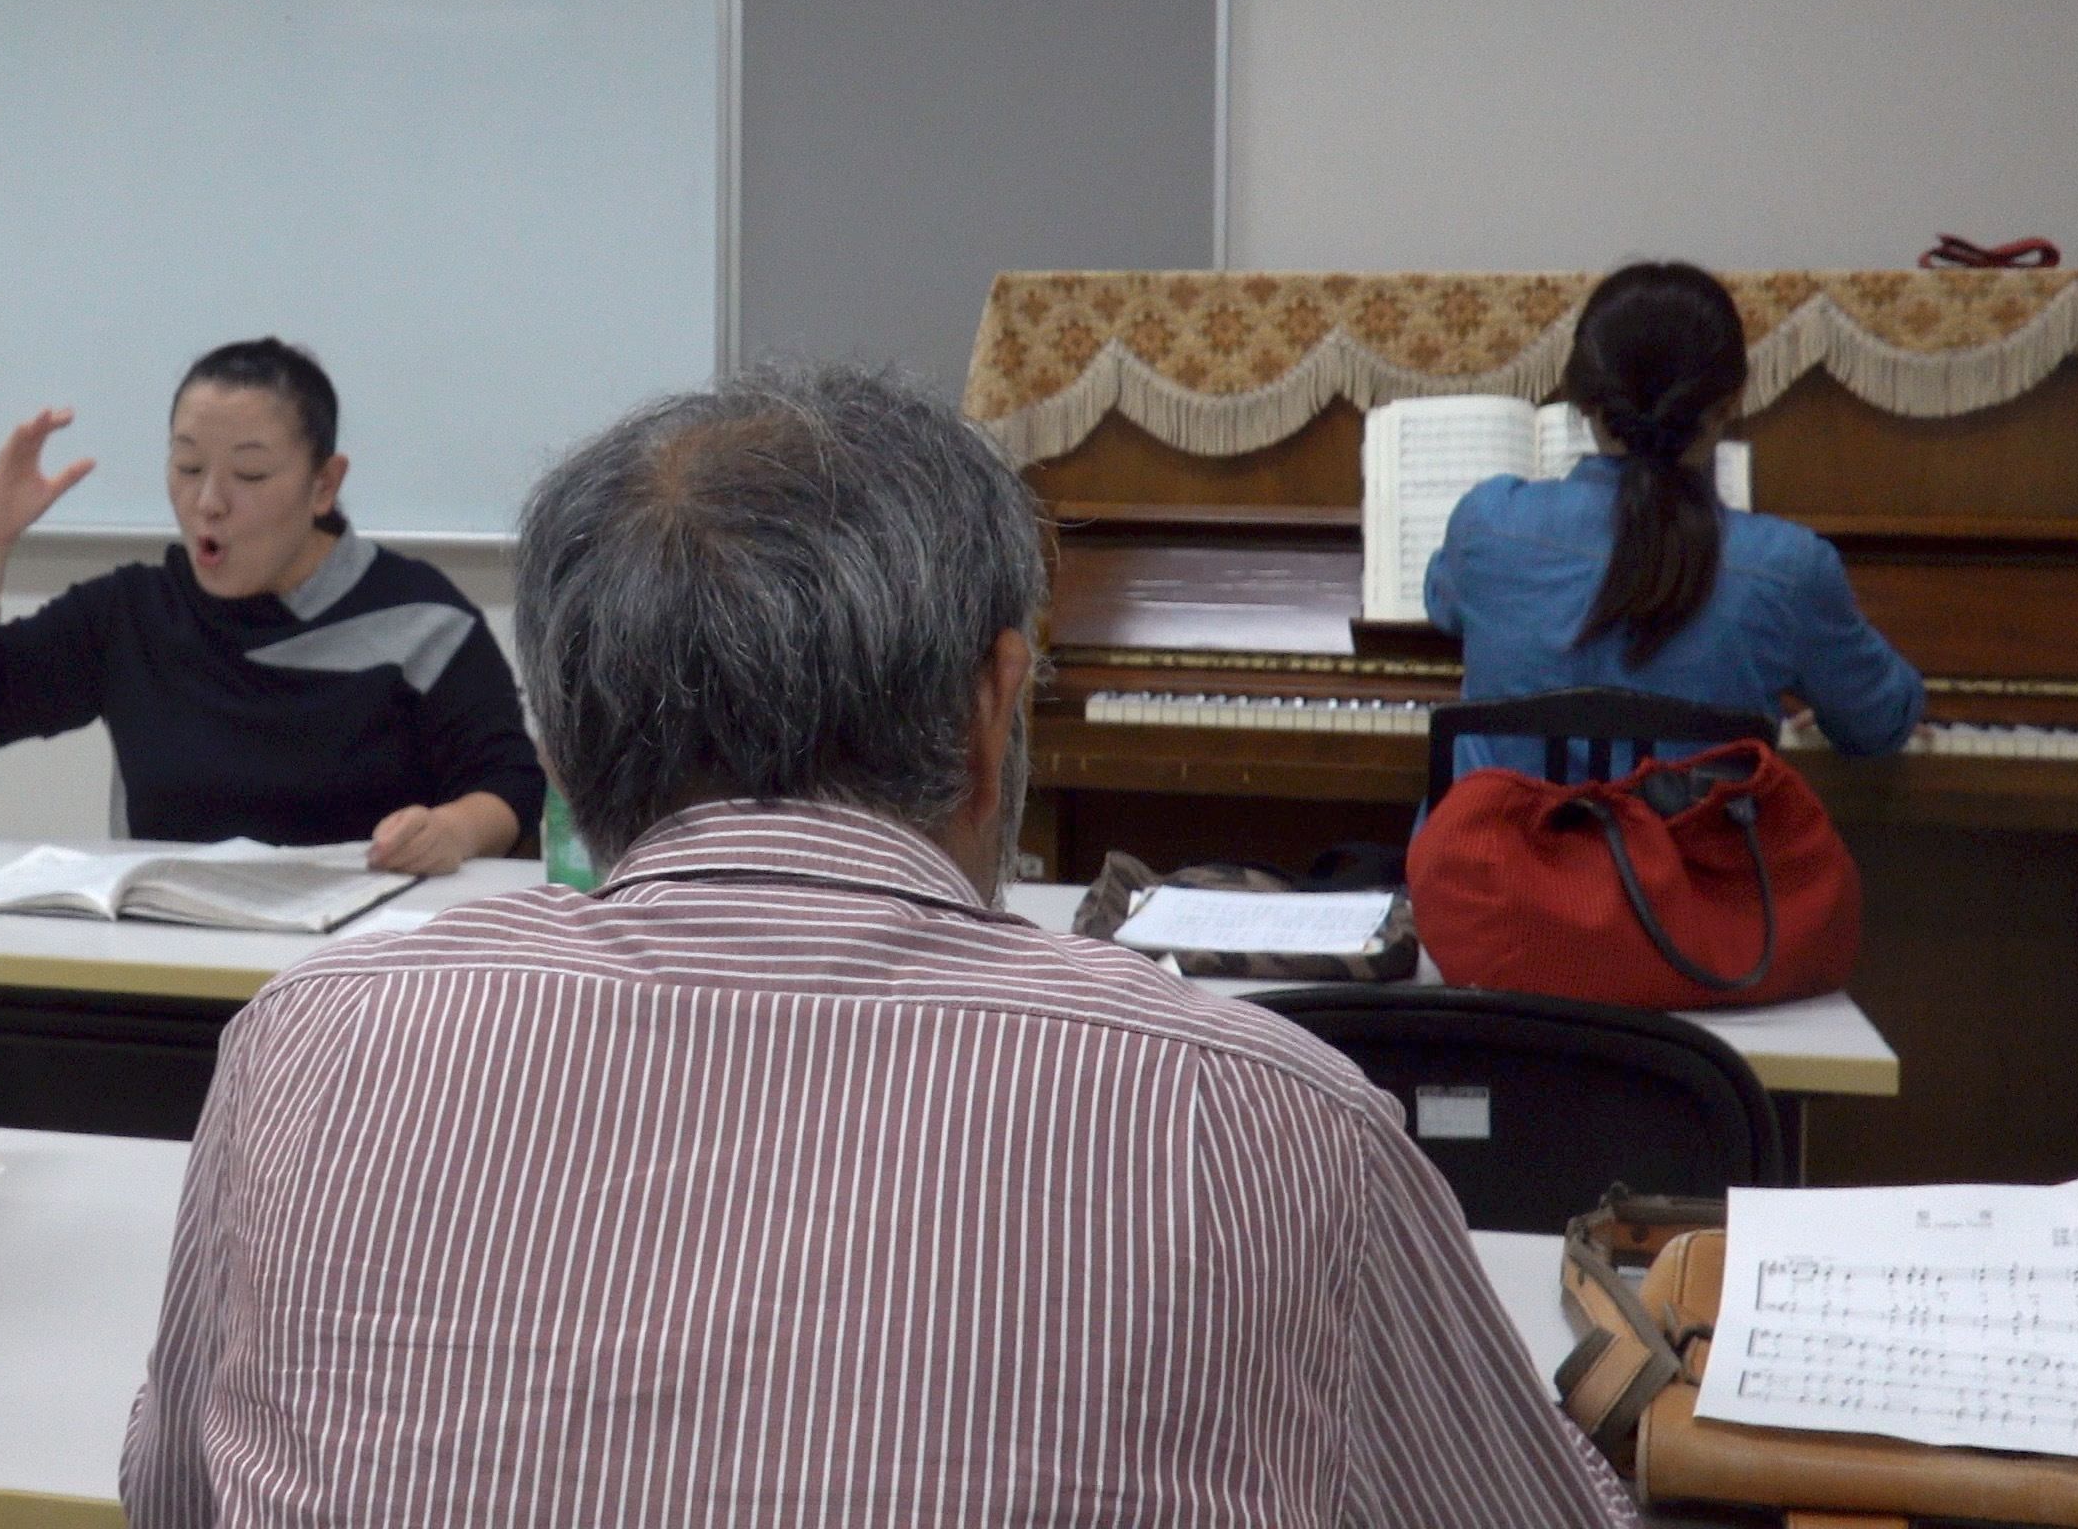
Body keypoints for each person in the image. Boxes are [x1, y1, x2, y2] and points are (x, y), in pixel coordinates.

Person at [122, 368, 1637, 1527]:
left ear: (566, 748)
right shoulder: (1269, 1117)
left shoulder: (309, 1039)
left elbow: (178, 1494)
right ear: (992, 712)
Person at [0, 336, 545, 874]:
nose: (209, 502)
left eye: (250, 476)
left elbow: (509, 782)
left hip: (363, 956)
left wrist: (453, 831)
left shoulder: (422, 620)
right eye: (188, 467)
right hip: (170, 950)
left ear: (324, 484)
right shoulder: (132, 615)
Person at [1427, 259, 1925, 776]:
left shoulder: (1486, 522)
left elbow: (1443, 607)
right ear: (1732, 400)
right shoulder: (1791, 569)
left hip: (1499, 832)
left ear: (1582, 397)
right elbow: (1879, 723)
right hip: (1693, 834)